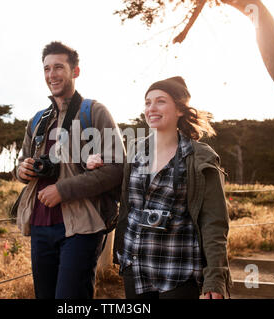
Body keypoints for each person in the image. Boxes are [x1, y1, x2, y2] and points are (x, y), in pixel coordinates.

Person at [88, 76, 232, 299]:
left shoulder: (200, 158)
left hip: (178, 270)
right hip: (134, 268)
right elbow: (126, 199)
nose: (151, 108)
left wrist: (215, 277)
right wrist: (99, 165)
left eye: (161, 101)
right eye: (147, 102)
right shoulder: (135, 152)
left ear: (180, 110)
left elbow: (214, 222)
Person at [15, 41, 124, 299]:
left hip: (82, 226)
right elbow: (20, 162)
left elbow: (117, 167)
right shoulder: (38, 119)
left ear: (75, 71)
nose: (51, 75)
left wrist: (63, 190)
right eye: (47, 69)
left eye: (58, 67)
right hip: (40, 224)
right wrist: (22, 171)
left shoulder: (94, 112)